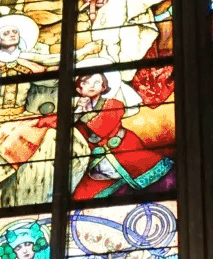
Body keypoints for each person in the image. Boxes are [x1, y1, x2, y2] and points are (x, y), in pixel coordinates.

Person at [70, 71, 174, 200]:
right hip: (96, 167)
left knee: (161, 185)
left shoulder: (114, 105)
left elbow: (99, 130)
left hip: (125, 153)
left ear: (104, 87)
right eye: (86, 82)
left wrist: (84, 114)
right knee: (80, 197)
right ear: (78, 88)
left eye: (97, 82)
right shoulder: (75, 114)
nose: (91, 85)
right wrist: (77, 113)